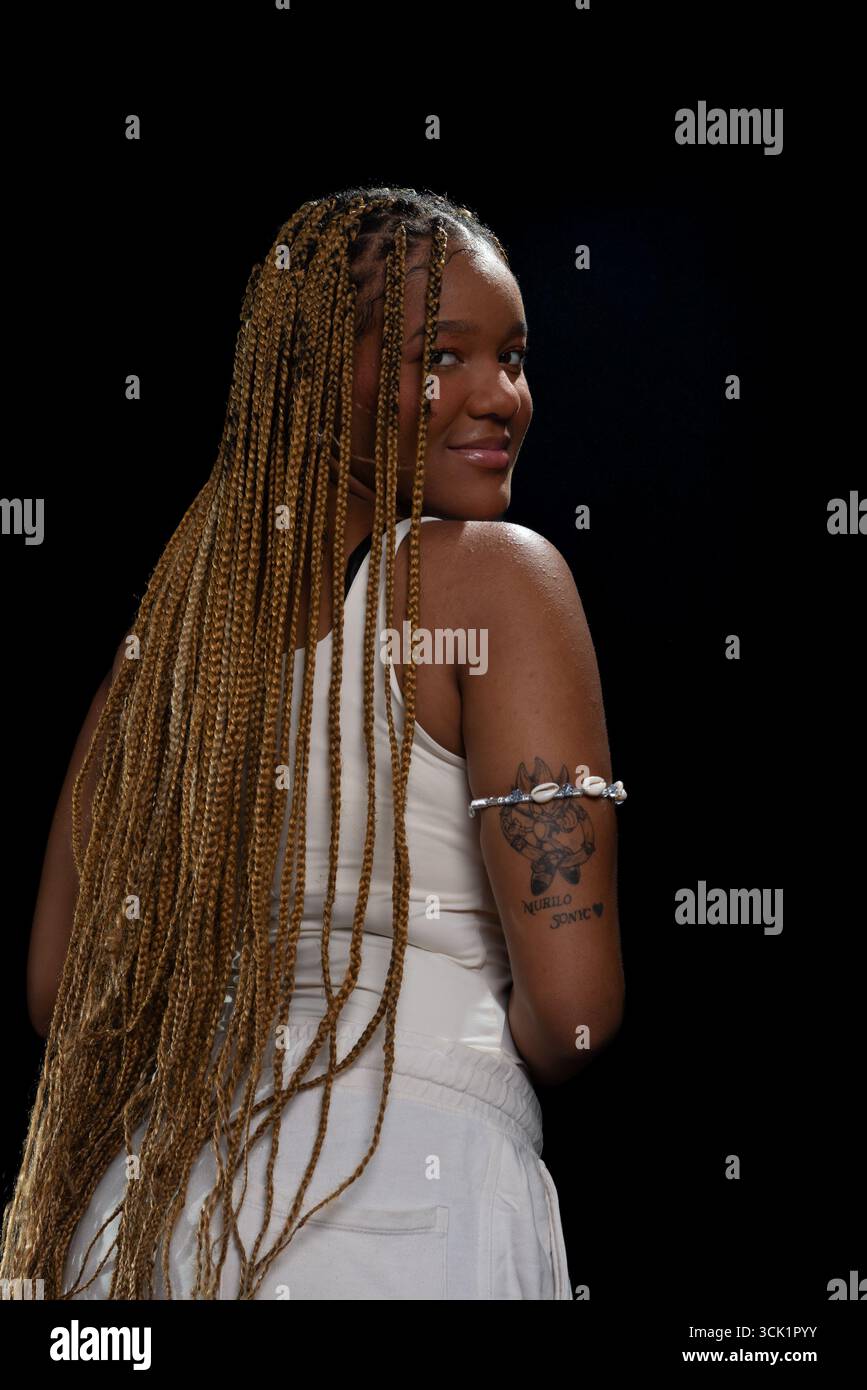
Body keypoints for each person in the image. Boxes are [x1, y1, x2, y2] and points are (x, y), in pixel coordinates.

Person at [1, 187, 625, 1300]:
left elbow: (63, 996)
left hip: (142, 1234)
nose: (501, 398)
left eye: (516, 357)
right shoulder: (498, 577)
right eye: (446, 355)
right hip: (397, 1202)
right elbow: (575, 1010)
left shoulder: (164, 656)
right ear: (316, 378)